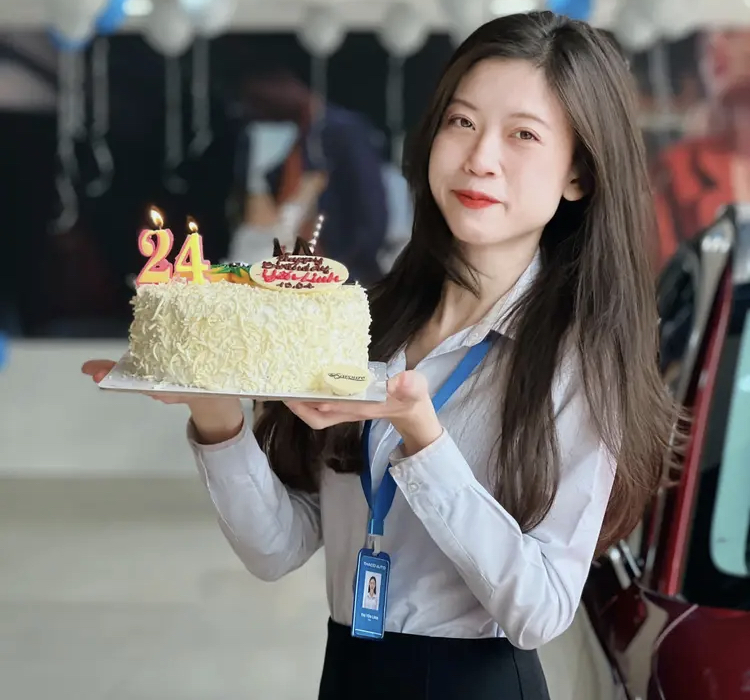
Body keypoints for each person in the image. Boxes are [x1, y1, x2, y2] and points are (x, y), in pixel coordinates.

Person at [83, 11, 677, 699]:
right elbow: (277, 548)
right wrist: (215, 413)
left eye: (522, 134)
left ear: (577, 173)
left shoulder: (580, 362)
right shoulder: (365, 323)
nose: (480, 157)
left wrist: (425, 441)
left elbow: (540, 611)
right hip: (348, 673)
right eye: (462, 122)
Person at [652, 29, 750, 267]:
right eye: (707, 39)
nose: (715, 46)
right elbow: (657, 276)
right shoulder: (678, 167)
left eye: (731, 32)